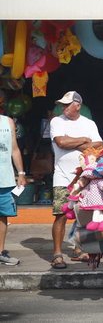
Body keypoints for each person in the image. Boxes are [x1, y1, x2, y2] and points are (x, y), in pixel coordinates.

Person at [49, 91, 103, 269]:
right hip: (62, 175)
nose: (63, 108)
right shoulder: (56, 121)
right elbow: (61, 142)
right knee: (61, 214)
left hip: (84, 177)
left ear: (78, 105)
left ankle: (79, 249)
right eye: (63, 105)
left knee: (83, 214)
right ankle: (57, 253)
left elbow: (98, 145)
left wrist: (75, 142)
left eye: (67, 104)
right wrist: (83, 140)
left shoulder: (89, 123)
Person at [0, 113, 27, 265]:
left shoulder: (8, 121)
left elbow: (14, 149)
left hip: (5, 177)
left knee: (2, 216)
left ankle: (0, 251)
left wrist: (21, 173)